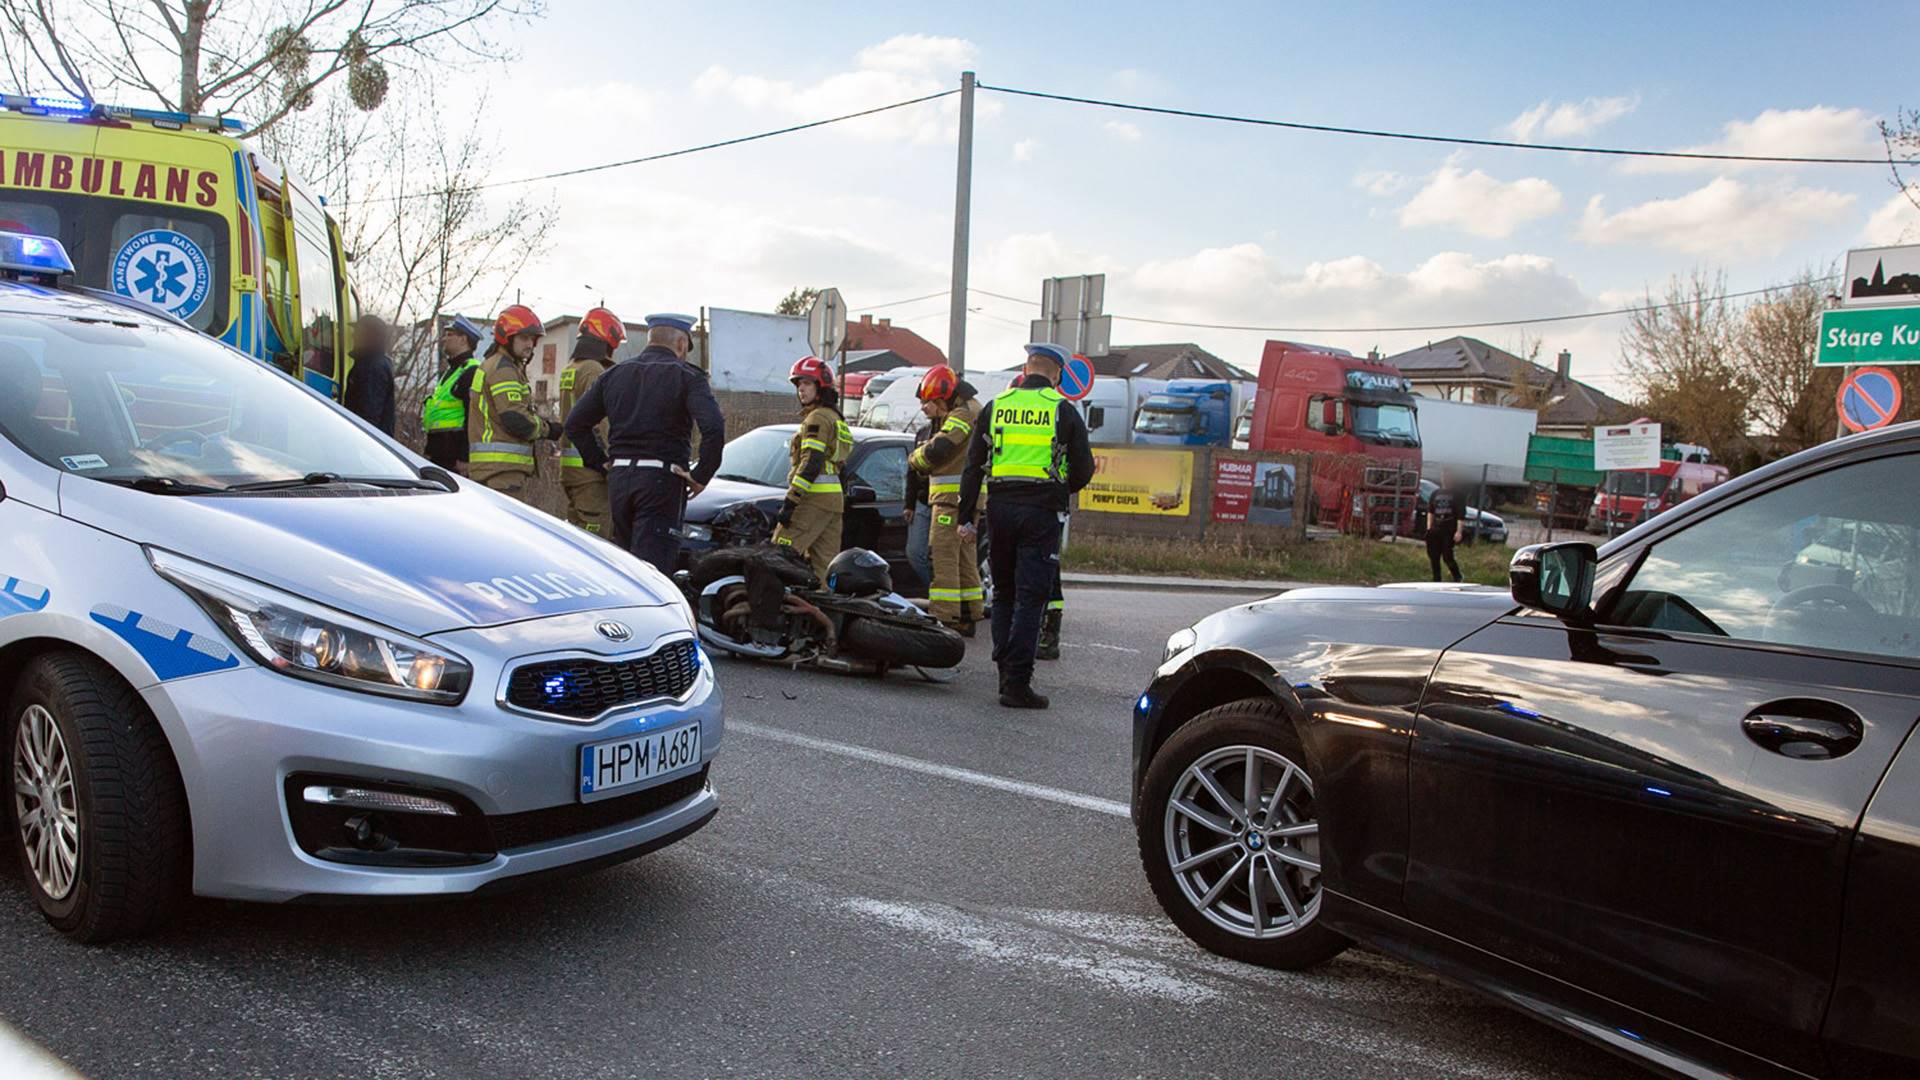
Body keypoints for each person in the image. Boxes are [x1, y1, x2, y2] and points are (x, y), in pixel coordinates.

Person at [957, 343, 1094, 709]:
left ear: (1025, 369)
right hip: (1040, 511)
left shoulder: (996, 406)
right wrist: (1060, 490)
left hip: (999, 508)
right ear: (1057, 374)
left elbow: (973, 465)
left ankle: (1005, 672)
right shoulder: (1062, 409)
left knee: (1004, 592)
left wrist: (965, 516)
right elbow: (1084, 469)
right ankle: (1017, 683)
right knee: (1032, 597)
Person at [564, 313, 725, 572]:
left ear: (650, 340)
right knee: (653, 571)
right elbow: (714, 428)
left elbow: (575, 423)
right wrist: (701, 475)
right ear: (682, 343)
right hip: (661, 483)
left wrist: (600, 461)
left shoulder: (614, 374)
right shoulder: (688, 377)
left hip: (619, 482)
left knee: (624, 569)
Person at [907, 364, 984, 636]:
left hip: (950, 498)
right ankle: (969, 612)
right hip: (966, 497)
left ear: (944, 397)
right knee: (964, 558)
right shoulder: (975, 409)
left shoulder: (962, 414)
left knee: (942, 556)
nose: (929, 408)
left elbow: (939, 448)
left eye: (932, 402)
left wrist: (915, 458)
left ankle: (945, 616)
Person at [771, 355, 852, 584]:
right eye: (798, 384)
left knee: (777, 557)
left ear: (820, 386)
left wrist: (791, 500)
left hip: (812, 499)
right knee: (825, 568)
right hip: (833, 502)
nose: (801, 389)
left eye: (807, 383)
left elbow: (811, 462)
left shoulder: (816, 418)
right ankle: (824, 606)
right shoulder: (836, 418)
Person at [468, 304, 561, 502]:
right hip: (501, 471)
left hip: (491, 468)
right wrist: (549, 430)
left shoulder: (491, 364)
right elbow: (515, 418)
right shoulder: (504, 369)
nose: (530, 344)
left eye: (532, 339)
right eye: (524, 338)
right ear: (507, 337)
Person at [557, 307, 625, 536]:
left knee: (575, 534)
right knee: (596, 537)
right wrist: (606, 461)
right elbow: (599, 423)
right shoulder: (593, 369)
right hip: (590, 472)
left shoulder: (571, 368)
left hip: (570, 469)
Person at [421, 315, 485, 474]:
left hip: (455, 457)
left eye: (449, 335)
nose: (444, 339)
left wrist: (465, 457)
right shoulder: (452, 371)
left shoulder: (471, 371)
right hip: (440, 452)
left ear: (463, 340)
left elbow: (473, 417)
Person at [343, 314, 396, 437]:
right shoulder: (371, 363)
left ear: (371, 336)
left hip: (364, 439)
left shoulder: (373, 367)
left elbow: (369, 414)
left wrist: (359, 438)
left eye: (358, 332)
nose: (353, 336)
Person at [904, 421, 934, 589]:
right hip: (922, 502)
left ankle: (943, 595)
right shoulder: (922, 432)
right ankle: (934, 591)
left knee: (942, 557)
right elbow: (911, 470)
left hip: (946, 503)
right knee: (915, 553)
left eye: (927, 406)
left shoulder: (952, 431)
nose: (923, 408)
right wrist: (909, 504)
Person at [1427, 472, 1465, 583]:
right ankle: (1436, 580)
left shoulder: (1457, 494)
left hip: (1449, 530)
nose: (1445, 479)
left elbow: (1461, 515)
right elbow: (1431, 512)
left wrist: (1459, 531)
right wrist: (1429, 528)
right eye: (1443, 477)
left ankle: (1457, 576)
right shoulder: (1435, 494)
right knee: (1434, 556)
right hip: (1435, 529)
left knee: (1447, 556)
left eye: (1447, 477)